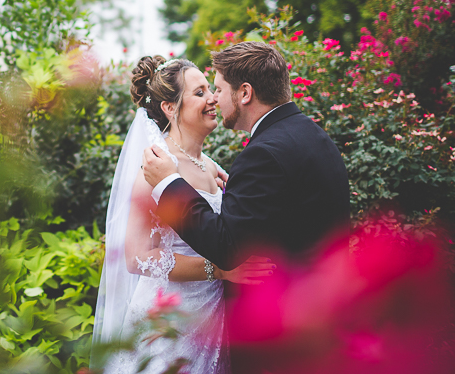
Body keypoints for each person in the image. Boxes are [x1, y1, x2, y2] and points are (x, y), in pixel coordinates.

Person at [92, 56, 273, 374]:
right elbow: (137, 258)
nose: (213, 98)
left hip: (212, 317)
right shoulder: (154, 169)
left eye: (210, 90)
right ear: (170, 108)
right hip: (170, 323)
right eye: (200, 93)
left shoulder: (210, 165)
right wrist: (219, 269)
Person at [142, 41, 350, 274]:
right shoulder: (313, 134)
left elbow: (226, 247)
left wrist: (168, 183)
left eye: (218, 89)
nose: (215, 99)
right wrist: (239, 193)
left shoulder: (263, 155)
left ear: (245, 93)